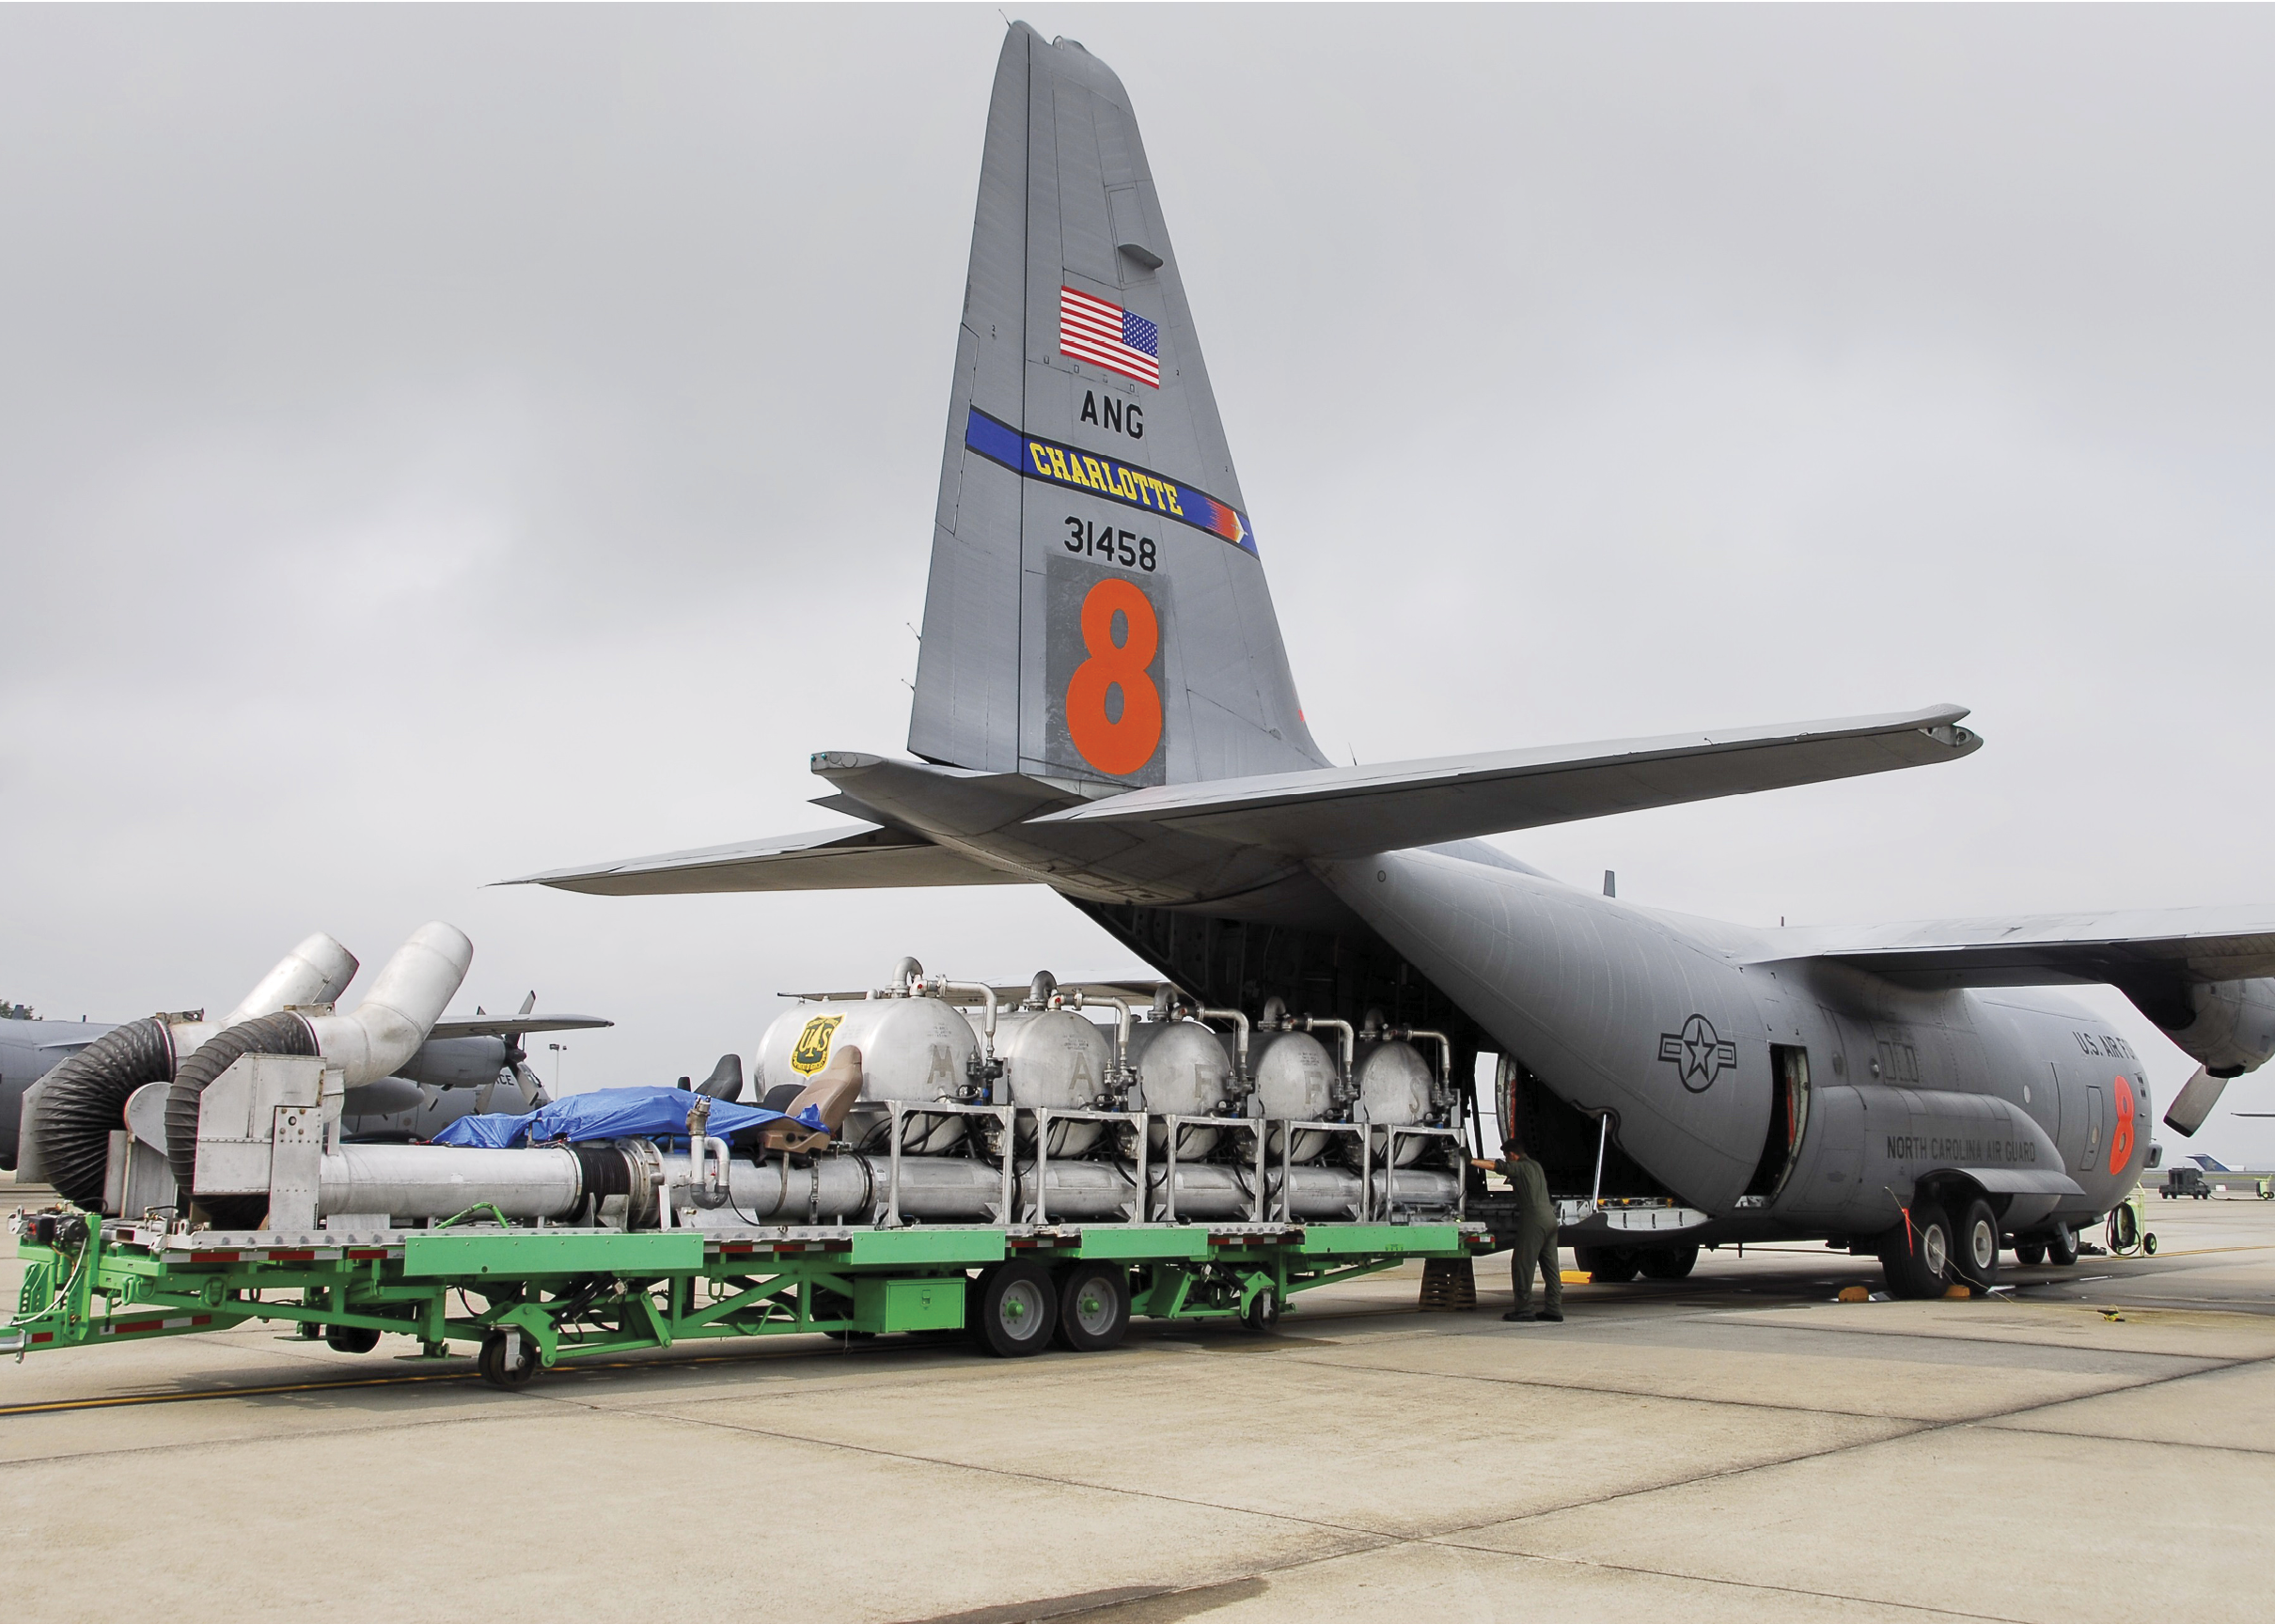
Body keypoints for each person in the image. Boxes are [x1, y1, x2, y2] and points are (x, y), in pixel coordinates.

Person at [1473, 1132, 1562, 1322]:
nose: (1507, 1159)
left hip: (1534, 1219)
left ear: (1512, 1155)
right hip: (1550, 1218)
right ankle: (1554, 1308)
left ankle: (1524, 1309)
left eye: (1507, 1156)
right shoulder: (1536, 1166)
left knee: (1522, 1264)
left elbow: (1496, 1167)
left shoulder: (1519, 1167)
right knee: (1551, 1267)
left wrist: (1470, 1160)